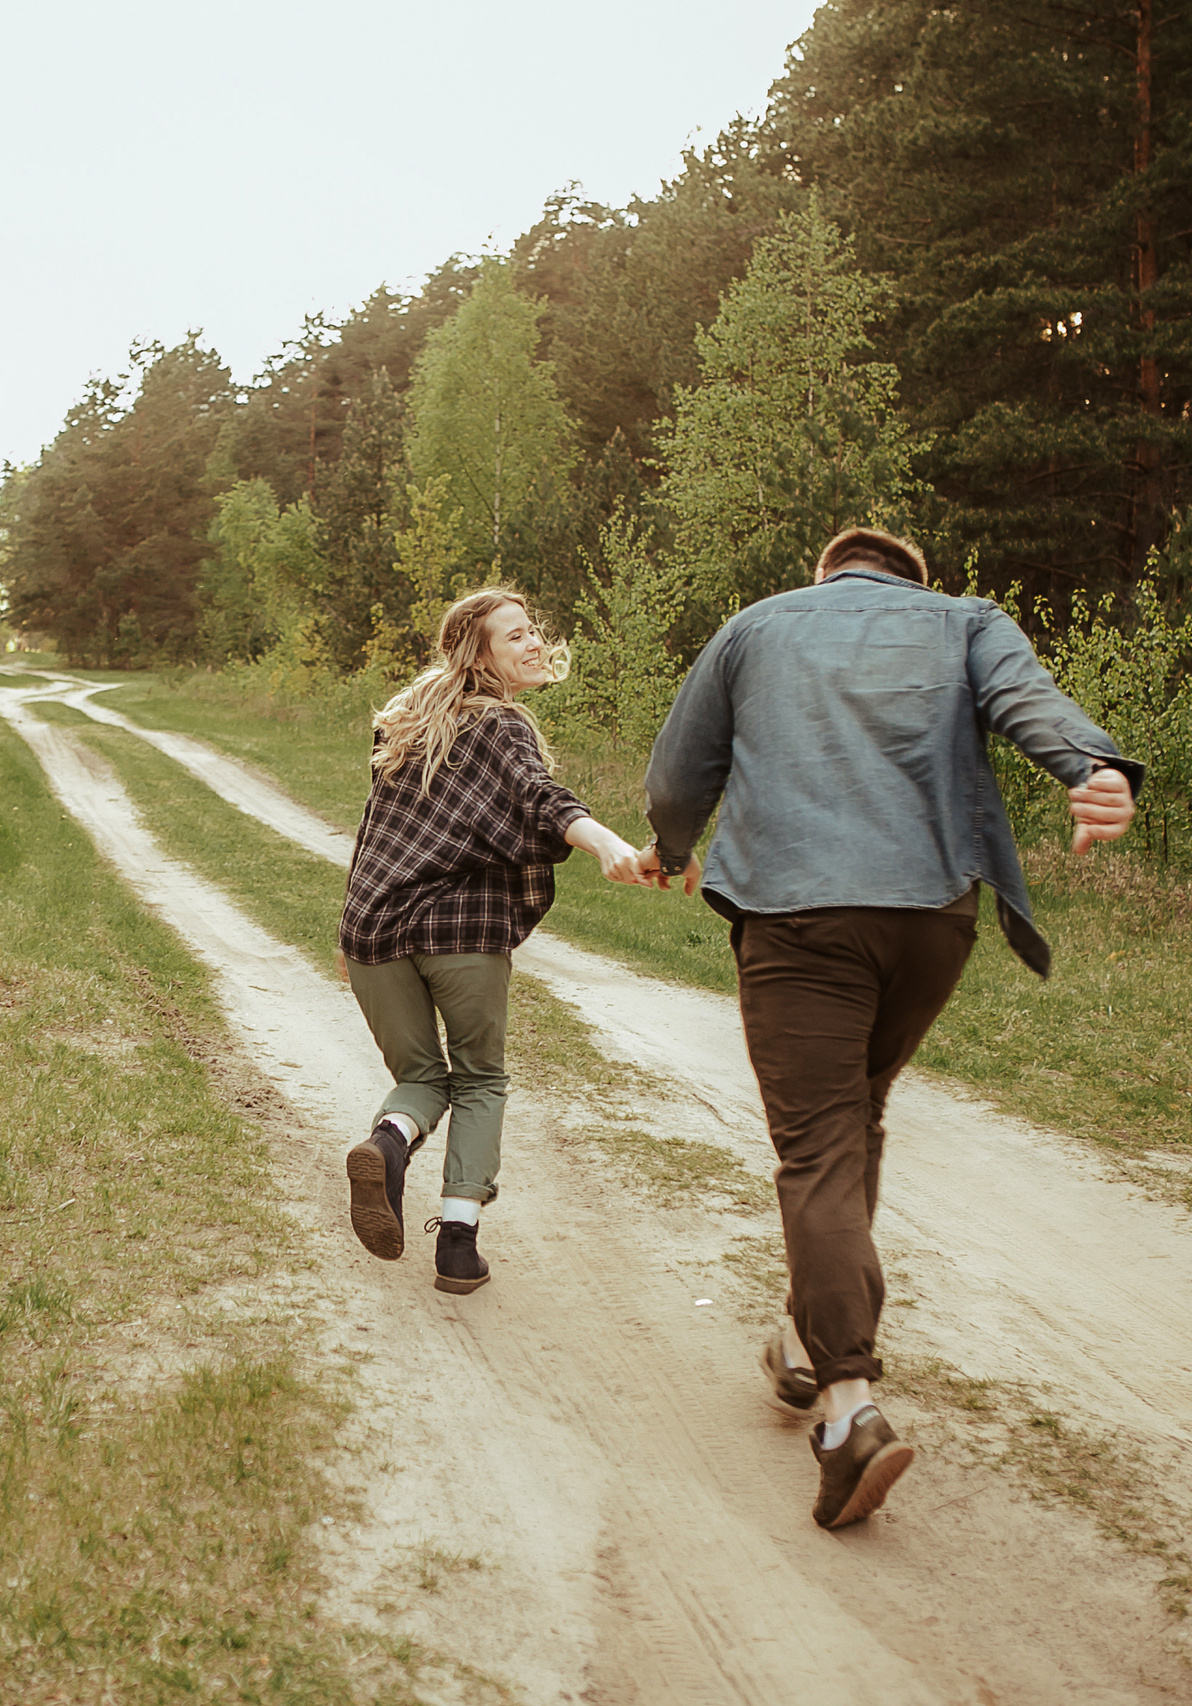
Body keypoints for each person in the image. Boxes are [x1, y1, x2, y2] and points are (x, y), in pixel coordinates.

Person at [640, 527, 1138, 1528]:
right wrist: (1094, 769)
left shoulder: (758, 623)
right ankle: (800, 1329)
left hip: (801, 913)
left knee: (817, 1141)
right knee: (855, 1112)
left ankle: (847, 1407)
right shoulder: (965, 620)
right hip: (931, 917)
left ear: (825, 574)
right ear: (912, 579)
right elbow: (1026, 703)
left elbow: (679, 771)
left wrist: (670, 845)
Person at [340, 587, 644, 1294]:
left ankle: (386, 1147)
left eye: (533, 630)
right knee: (479, 1078)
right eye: (515, 637)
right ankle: (457, 1243)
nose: (533, 643)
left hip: (374, 930)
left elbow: (373, 835)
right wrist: (605, 843)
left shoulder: (405, 725)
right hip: (461, 936)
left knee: (420, 1079)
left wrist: (349, 928)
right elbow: (541, 798)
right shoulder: (502, 727)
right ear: (479, 657)